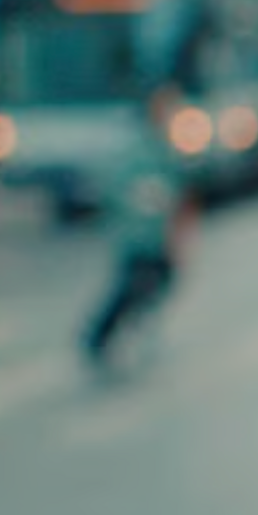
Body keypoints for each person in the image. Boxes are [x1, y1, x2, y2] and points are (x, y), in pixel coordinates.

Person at [81, 81, 197, 368]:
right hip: (137, 237)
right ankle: (98, 337)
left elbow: (182, 193)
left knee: (155, 283)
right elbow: (116, 190)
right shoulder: (138, 149)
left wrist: (179, 234)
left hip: (158, 237)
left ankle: (132, 327)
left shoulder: (168, 149)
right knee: (131, 287)